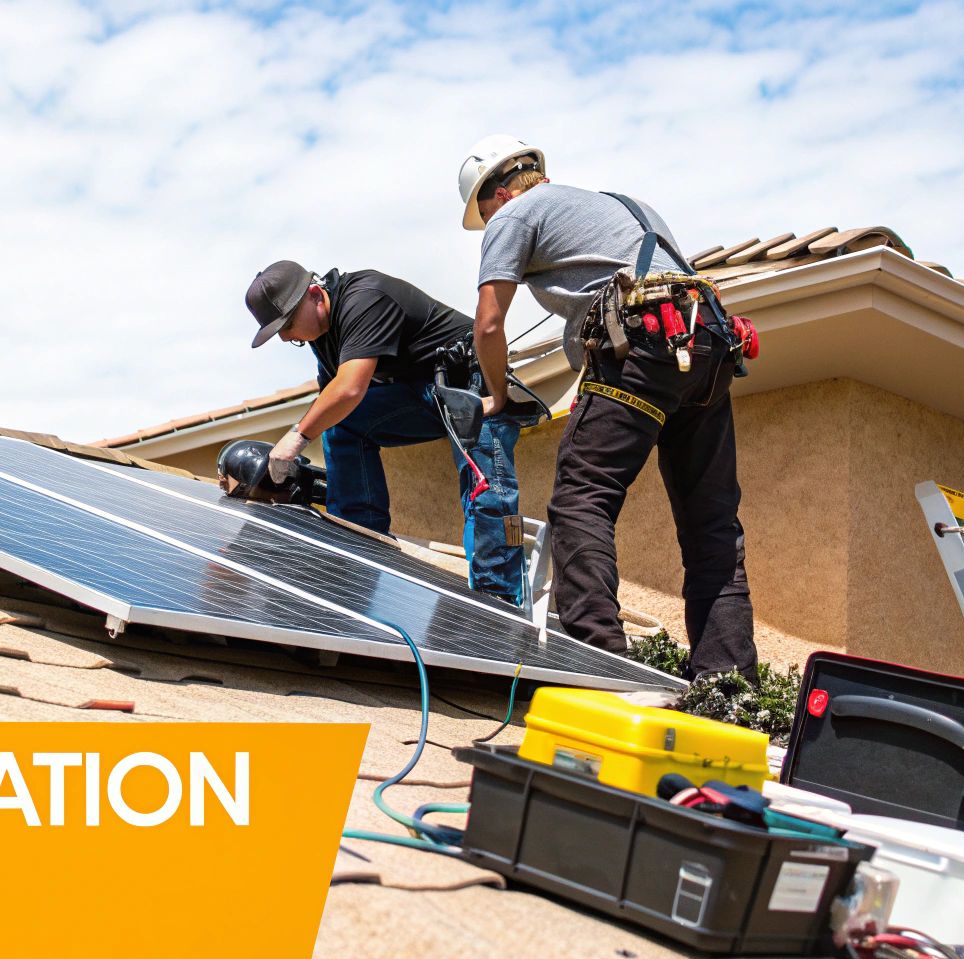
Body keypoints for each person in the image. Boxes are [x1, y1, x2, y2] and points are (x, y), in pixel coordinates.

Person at [458, 134, 758, 678]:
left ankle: (595, 660)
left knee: (582, 499)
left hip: (644, 338)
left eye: (483, 214)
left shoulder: (514, 214)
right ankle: (728, 679)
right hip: (709, 341)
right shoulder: (621, 206)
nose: (487, 225)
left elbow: (488, 324)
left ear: (498, 194)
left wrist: (498, 394)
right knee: (711, 522)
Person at [242, 259, 532, 603]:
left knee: (486, 491)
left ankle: (495, 603)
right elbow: (335, 403)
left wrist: (297, 435)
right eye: (281, 333)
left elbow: (350, 388)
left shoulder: (365, 298)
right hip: (423, 395)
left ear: (316, 295)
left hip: (474, 391)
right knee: (342, 424)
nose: (289, 336)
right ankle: (359, 545)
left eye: (288, 323)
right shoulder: (322, 336)